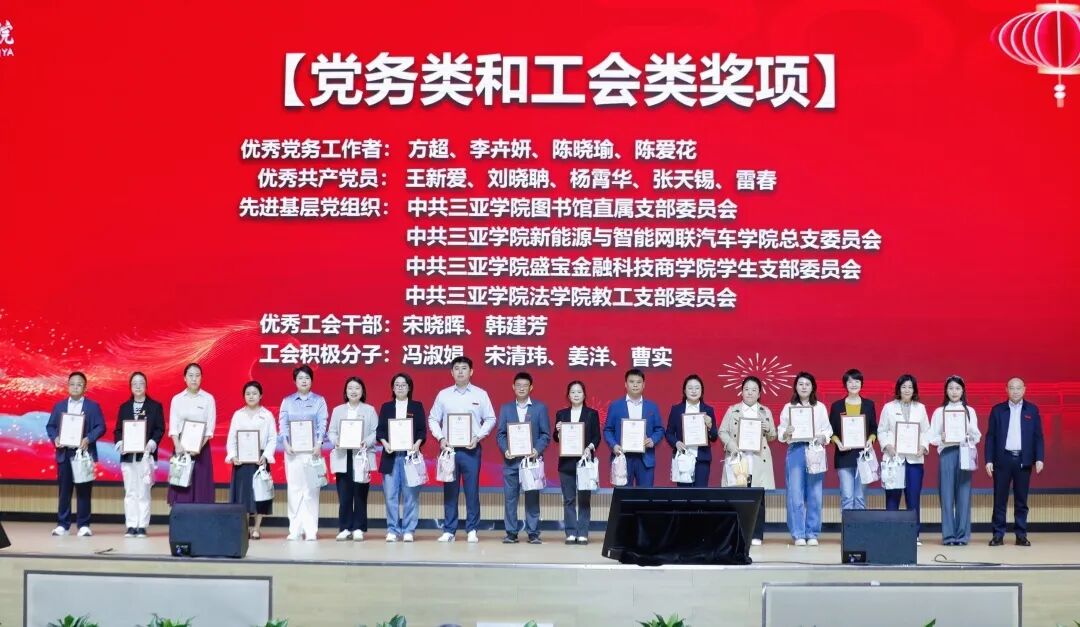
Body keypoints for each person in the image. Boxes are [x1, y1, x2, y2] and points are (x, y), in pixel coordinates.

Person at [428, 356, 496, 543]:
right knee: (450, 491)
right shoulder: (443, 395)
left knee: (471, 491)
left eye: (464, 368)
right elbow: (433, 418)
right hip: (448, 451)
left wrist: (478, 437)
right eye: (456, 368)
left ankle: (472, 529)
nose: (460, 371)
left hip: (471, 450)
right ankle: (449, 530)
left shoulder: (480, 394)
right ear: (451, 372)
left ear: (471, 372)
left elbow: (490, 418)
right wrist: (441, 438)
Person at [45, 372, 106, 537]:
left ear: (85, 388)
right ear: (68, 386)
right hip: (64, 453)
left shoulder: (92, 406)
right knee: (64, 491)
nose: (75, 387)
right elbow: (50, 426)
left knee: (84, 490)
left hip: (83, 454)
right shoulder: (59, 406)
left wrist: (88, 438)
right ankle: (62, 525)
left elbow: (101, 427)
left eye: (79, 384)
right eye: (72, 384)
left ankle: (84, 525)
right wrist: (55, 438)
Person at [985, 377, 1044, 547]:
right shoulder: (997, 410)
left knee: (1021, 500)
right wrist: (988, 460)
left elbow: (1038, 436)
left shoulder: (1032, 410)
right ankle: (998, 535)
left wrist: (1039, 458)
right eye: (1012, 388)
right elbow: (990, 437)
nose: (1015, 391)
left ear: (1024, 389)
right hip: (1002, 459)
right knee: (999, 500)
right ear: (1006, 390)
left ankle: (1021, 534)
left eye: (1018, 388)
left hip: (1023, 460)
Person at [719, 376, 777, 545]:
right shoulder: (733, 410)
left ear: (759, 393)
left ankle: (756, 534)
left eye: (754, 390)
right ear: (741, 392)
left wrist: (768, 428)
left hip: (759, 459)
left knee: (758, 498)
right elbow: (722, 431)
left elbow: (773, 436)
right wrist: (731, 446)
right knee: (737, 497)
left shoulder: (765, 412)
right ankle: (736, 533)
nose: (750, 393)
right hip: (738, 458)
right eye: (747, 389)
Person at [496, 372, 552, 545]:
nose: (521, 388)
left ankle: (533, 533)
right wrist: (506, 450)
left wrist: (536, 450)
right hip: (511, 461)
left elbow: (545, 434)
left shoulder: (540, 408)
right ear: (513, 387)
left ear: (531, 387)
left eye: (525, 385)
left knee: (532, 498)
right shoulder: (506, 408)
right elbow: (501, 434)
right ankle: (511, 533)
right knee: (510, 499)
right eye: (518, 385)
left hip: (532, 462)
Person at [776, 372, 831, 546]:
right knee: (795, 493)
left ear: (813, 387)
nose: (804, 387)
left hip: (815, 449)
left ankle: (812, 533)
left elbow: (827, 430)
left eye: (807, 384)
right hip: (796, 450)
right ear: (795, 387)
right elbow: (781, 432)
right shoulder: (788, 407)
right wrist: (786, 432)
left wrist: (823, 437)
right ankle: (798, 533)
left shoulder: (820, 407)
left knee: (815, 493)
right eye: (800, 384)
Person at [877, 374, 931, 544]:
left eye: (910, 387)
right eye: (904, 387)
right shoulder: (888, 407)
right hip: (894, 458)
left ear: (914, 390)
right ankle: (891, 535)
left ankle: (913, 535)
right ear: (898, 389)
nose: (907, 390)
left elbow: (926, 431)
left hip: (915, 460)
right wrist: (887, 446)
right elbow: (882, 430)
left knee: (913, 497)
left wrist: (923, 447)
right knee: (892, 498)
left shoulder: (920, 408)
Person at [929, 375, 981, 546]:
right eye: (951, 388)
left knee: (964, 496)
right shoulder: (939, 412)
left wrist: (967, 433)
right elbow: (932, 437)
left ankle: (962, 536)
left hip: (964, 453)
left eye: (957, 388)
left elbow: (977, 436)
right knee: (946, 495)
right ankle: (949, 536)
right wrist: (942, 438)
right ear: (946, 391)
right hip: (947, 454)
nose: (954, 392)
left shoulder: (969, 411)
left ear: (963, 390)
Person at [279, 365, 329, 541]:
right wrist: (285, 443)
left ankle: (310, 530)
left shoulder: (319, 401)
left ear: (312, 381)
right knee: (294, 490)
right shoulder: (287, 401)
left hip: (312, 451)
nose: (304, 381)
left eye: (307, 378)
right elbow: (283, 424)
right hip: (292, 452)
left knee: (311, 491)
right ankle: (294, 529)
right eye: (300, 378)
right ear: (295, 381)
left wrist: (319, 444)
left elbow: (323, 423)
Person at [113, 372, 165, 538]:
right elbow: (118, 430)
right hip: (128, 457)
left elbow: (160, 429)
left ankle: (142, 525)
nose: (138, 386)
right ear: (130, 386)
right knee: (130, 491)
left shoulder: (155, 406)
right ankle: (131, 525)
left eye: (141, 383)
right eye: (134, 383)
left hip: (146, 457)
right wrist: (120, 443)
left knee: (143, 492)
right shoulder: (124, 407)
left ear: (146, 385)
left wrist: (152, 443)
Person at [376, 373, 427, 543]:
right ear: (392, 388)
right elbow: (380, 431)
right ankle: (392, 529)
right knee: (390, 495)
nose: (400, 387)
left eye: (403, 385)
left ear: (409, 387)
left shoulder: (417, 406)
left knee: (410, 495)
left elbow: (422, 431)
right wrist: (385, 444)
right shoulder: (386, 407)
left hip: (410, 457)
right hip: (390, 457)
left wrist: (417, 444)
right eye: (397, 385)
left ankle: (408, 530)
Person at [328, 376, 378, 541]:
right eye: (350, 388)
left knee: (360, 494)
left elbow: (375, 432)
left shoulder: (369, 410)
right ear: (345, 391)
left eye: (357, 388)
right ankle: (345, 527)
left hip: (361, 456)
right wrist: (336, 440)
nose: (353, 391)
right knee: (344, 495)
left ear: (362, 391)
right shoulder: (338, 410)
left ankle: (358, 528)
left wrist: (366, 442)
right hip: (343, 456)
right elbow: (332, 432)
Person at [224, 380, 277, 539]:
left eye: (254, 393)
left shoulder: (267, 415)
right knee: (243, 496)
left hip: (260, 460)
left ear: (261, 395)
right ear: (244, 396)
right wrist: (233, 455)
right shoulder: (238, 415)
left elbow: (272, 439)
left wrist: (266, 455)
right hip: (242, 460)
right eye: (248, 393)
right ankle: (244, 528)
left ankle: (256, 528)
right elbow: (232, 438)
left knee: (260, 495)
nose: (251, 396)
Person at [553, 380, 601, 545]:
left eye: (579, 392)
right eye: (573, 392)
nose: (576, 395)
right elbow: (556, 438)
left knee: (584, 499)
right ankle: (571, 532)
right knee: (569, 500)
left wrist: (590, 447)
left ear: (584, 394)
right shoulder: (561, 414)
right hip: (566, 464)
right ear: (568, 395)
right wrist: (558, 431)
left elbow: (597, 436)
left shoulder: (591, 414)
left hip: (585, 462)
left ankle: (583, 533)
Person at [603, 369, 665, 487]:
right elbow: (608, 430)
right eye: (631, 382)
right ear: (625, 384)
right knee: (624, 495)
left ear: (644, 385)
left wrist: (652, 440)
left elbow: (660, 429)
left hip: (645, 459)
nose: (635, 385)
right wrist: (614, 445)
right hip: (623, 457)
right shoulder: (615, 406)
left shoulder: (652, 406)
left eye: (638, 382)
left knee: (646, 495)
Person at [828, 368, 878, 511]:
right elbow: (831, 432)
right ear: (845, 384)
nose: (853, 384)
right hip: (844, 456)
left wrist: (870, 440)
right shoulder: (837, 406)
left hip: (863, 457)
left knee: (860, 497)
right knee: (847, 497)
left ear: (861, 383)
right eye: (850, 382)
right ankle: (847, 526)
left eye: (857, 381)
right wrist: (838, 443)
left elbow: (873, 429)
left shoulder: (869, 405)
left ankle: (859, 526)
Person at [168, 363, 217, 506]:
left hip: (201, 449)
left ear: (201, 378)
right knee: (181, 486)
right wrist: (178, 445)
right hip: (180, 448)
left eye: (197, 375)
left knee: (201, 487)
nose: (194, 379)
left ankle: (201, 517)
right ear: (184, 378)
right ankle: (180, 516)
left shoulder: (208, 399)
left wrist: (198, 447)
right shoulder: (177, 399)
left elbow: (209, 429)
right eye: (190, 375)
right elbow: (173, 427)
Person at [664, 374, 718, 487]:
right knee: (683, 494)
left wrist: (709, 426)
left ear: (702, 391)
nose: (694, 391)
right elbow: (669, 433)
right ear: (684, 390)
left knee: (701, 494)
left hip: (702, 458)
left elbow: (714, 437)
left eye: (697, 388)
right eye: (690, 388)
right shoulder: (676, 409)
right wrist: (676, 443)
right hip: (683, 458)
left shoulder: (708, 410)